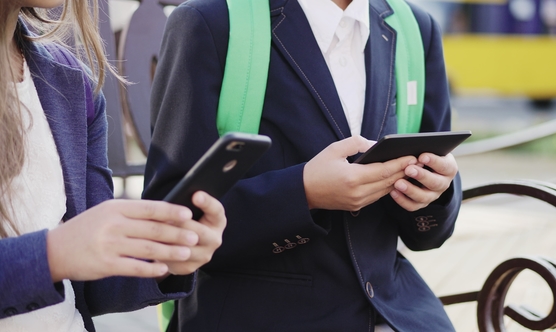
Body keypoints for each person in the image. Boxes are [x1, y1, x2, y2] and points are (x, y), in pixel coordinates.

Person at [144, 0, 461, 330]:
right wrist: (304, 193)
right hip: (254, 314)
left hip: (399, 313)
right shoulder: (209, 21)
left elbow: (428, 233)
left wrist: (437, 192)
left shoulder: (415, 27)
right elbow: (172, 223)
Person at [0, 0, 226, 331]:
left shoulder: (73, 83)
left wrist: (164, 256)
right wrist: (53, 254)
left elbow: (90, 286)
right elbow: (62, 256)